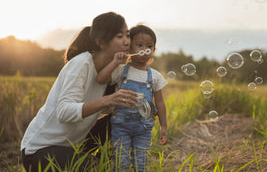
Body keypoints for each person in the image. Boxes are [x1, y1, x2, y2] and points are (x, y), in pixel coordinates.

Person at [20, 12, 139, 172]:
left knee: (127, 119)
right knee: (91, 166)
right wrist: (109, 100)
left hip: (72, 146)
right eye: (119, 36)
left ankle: (103, 165)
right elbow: (64, 112)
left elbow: (104, 105)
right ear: (101, 42)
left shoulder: (113, 70)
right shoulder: (81, 64)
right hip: (39, 152)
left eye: (128, 35)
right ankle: (92, 165)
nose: (127, 41)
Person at [96, 24, 168, 172]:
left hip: (144, 128)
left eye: (149, 46)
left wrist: (164, 126)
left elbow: (160, 103)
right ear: (129, 49)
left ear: (153, 50)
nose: (144, 49)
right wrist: (115, 61)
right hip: (121, 126)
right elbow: (100, 79)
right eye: (139, 45)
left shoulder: (155, 76)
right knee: (120, 162)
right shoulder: (121, 70)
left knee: (140, 163)